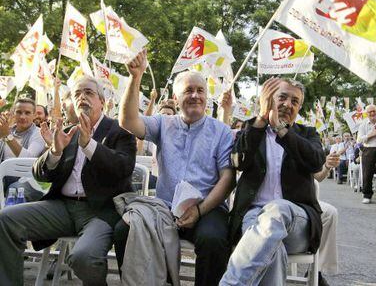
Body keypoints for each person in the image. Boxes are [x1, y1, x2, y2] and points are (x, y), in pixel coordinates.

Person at [0, 76, 137, 286]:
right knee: (6, 219)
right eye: (77, 94)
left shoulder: (119, 131)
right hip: (61, 207)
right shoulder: (66, 132)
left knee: (84, 257)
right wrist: (54, 152)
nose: (82, 97)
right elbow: (40, 174)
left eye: (89, 93)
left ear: (102, 101)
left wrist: (89, 145)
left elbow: (122, 169)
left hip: (100, 212)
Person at [116, 50, 235, 285]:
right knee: (124, 230)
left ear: (207, 96)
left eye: (200, 90)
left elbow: (228, 179)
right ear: (175, 97)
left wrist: (199, 211)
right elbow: (128, 122)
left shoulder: (221, 131)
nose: (195, 95)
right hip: (165, 209)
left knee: (213, 240)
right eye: (188, 90)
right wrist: (135, 78)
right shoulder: (163, 123)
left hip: (207, 210)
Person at [220, 77, 325, 285]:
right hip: (254, 217)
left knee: (277, 210)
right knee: (272, 250)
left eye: (295, 101)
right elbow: (238, 162)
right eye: (282, 97)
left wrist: (282, 131)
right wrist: (260, 119)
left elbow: (316, 163)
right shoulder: (251, 131)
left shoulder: (307, 134)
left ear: (299, 108)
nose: (287, 104)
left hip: (297, 221)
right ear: (268, 99)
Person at [313, 152, 340, 286]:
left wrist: (327, 166)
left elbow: (317, 176)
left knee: (330, 212)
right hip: (267, 199)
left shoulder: (302, 136)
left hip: (298, 199)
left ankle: (316, 271)